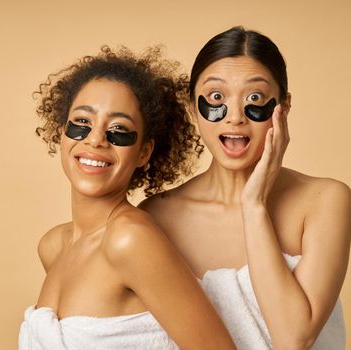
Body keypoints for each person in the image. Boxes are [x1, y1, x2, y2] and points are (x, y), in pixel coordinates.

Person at [141, 26, 351, 349]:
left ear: (284, 106)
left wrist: (253, 205)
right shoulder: (156, 217)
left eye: (255, 98)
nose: (235, 116)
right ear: (193, 106)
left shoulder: (326, 202)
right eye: (216, 98)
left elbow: (293, 340)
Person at [19, 46, 236, 349]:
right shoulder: (54, 247)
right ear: (62, 132)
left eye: (119, 129)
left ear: (144, 152)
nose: (95, 139)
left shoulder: (130, 239)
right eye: (82, 122)